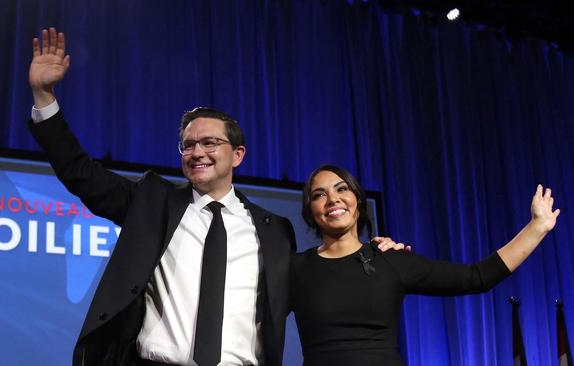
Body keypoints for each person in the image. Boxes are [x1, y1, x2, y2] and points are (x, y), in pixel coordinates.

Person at [27, 28, 407, 366]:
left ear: (237, 155)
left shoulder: (275, 232)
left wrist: (372, 253)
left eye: (210, 142)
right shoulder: (153, 202)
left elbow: (321, 279)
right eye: (188, 145)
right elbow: (81, 173)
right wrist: (44, 97)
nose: (197, 152)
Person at [290, 165, 560, 366]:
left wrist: (536, 228)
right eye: (319, 195)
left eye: (341, 189)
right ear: (310, 212)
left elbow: (476, 277)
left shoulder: (389, 259)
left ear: (358, 201)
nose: (333, 199)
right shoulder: (297, 269)